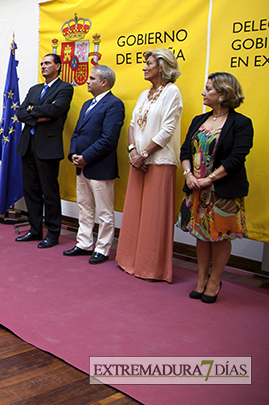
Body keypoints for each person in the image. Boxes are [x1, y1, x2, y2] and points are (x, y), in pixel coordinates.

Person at [177, 72, 253, 303]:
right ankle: (201, 279)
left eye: (208, 88)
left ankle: (214, 281)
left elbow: (236, 159)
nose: (203, 92)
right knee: (201, 235)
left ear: (222, 93)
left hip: (223, 189)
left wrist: (209, 179)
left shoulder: (241, 123)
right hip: (196, 188)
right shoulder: (199, 120)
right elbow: (185, 151)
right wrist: (189, 174)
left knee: (220, 237)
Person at [116, 49, 183, 282]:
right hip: (138, 160)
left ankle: (151, 267)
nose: (144, 67)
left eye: (149, 64)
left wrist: (144, 154)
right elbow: (133, 125)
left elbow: (168, 130)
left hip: (160, 161)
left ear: (162, 67)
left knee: (154, 216)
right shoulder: (144, 93)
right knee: (134, 211)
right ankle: (129, 260)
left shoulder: (172, 92)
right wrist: (133, 151)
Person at [63, 65, 125, 264]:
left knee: (104, 211)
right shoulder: (87, 104)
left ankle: (103, 248)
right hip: (81, 165)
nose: (87, 81)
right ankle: (84, 243)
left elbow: (108, 139)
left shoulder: (114, 104)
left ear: (104, 82)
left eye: (92, 78)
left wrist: (86, 157)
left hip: (99, 166)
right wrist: (74, 153)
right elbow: (77, 132)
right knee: (85, 206)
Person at [15, 54, 74, 248]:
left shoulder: (64, 88)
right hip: (28, 146)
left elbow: (54, 112)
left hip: (47, 148)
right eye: (41, 63)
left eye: (47, 63)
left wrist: (34, 110)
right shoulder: (35, 89)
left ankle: (53, 233)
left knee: (49, 191)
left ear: (58, 66)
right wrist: (36, 113)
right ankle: (35, 229)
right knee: (31, 190)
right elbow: (21, 112)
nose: (43, 66)